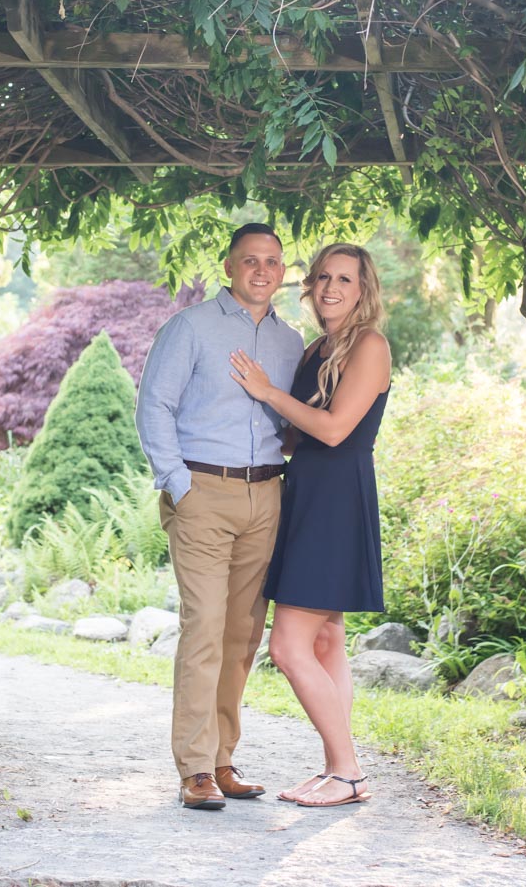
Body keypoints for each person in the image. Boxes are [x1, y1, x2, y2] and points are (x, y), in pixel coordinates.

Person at [135, 222, 305, 811]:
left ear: (283, 272)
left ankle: (224, 758)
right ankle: (194, 769)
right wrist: (179, 486)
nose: (263, 271)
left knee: (242, 635)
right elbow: (155, 405)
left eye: (274, 262)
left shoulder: (290, 343)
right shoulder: (190, 328)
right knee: (204, 626)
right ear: (229, 266)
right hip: (203, 491)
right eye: (251, 260)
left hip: (267, 496)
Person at [228, 242, 390, 808]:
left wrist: (268, 392)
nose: (330, 288)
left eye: (344, 279)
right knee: (326, 641)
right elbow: (296, 433)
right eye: (322, 277)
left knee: (289, 646)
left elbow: (334, 430)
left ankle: (348, 771)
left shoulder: (369, 345)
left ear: (363, 289)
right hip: (307, 492)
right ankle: (335, 769)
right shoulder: (319, 347)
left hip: (337, 499)